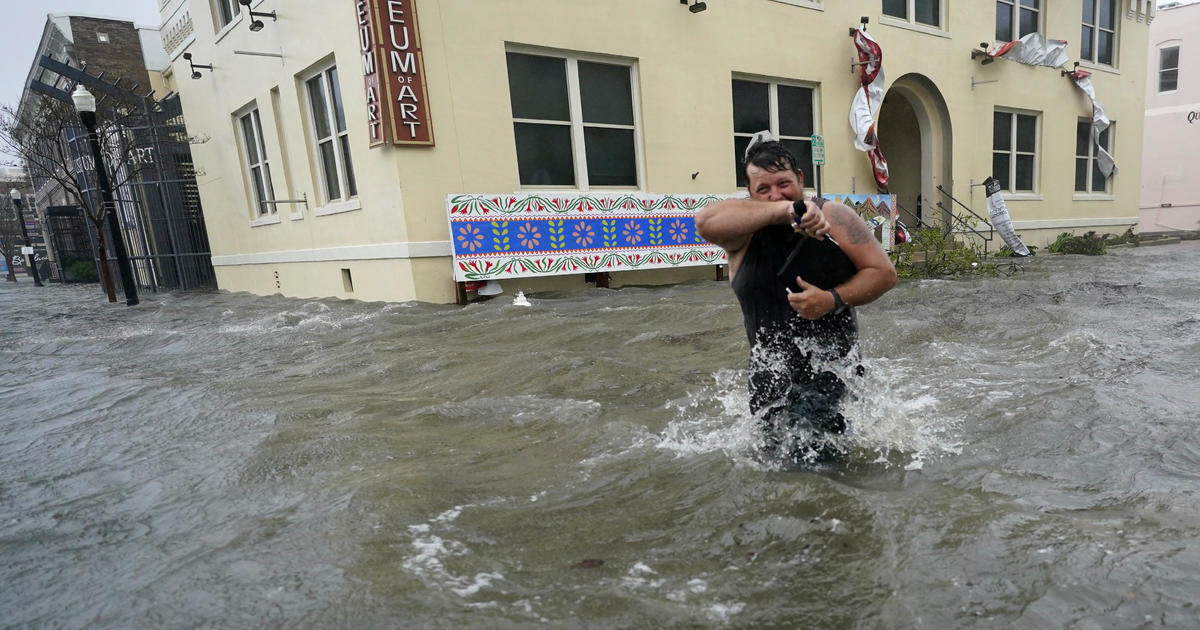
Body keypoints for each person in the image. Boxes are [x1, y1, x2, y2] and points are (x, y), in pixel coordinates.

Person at [695, 133, 897, 465]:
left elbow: (883, 273)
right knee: (774, 477)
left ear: (800, 179)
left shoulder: (834, 217)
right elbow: (704, 222)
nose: (775, 193)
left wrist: (832, 299)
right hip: (768, 383)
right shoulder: (741, 236)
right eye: (764, 189)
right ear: (749, 194)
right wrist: (784, 210)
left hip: (832, 375)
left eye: (784, 184)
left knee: (827, 475)